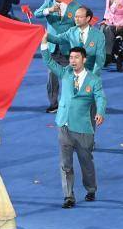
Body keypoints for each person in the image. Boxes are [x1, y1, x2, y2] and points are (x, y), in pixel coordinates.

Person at [41, 42, 107, 209]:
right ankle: (68, 196)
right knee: (65, 164)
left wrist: (100, 112)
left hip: (83, 128)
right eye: (70, 57)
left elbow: (100, 97)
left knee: (86, 161)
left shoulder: (93, 79)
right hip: (64, 125)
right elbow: (49, 62)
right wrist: (43, 45)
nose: (73, 60)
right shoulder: (65, 73)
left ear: (84, 59)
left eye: (76, 57)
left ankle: (91, 188)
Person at [35, 0, 80, 113]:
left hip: (68, 48)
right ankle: (53, 103)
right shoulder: (48, 2)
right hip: (52, 48)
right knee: (52, 78)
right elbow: (37, 13)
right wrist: (49, 10)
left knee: (71, 78)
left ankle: (73, 102)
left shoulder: (75, 6)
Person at [47, 6, 106, 74]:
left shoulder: (98, 35)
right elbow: (58, 39)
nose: (76, 19)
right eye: (75, 17)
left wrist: (93, 76)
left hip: (91, 72)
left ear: (88, 18)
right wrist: (44, 35)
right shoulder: (72, 31)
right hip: (74, 72)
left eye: (80, 17)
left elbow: (100, 58)